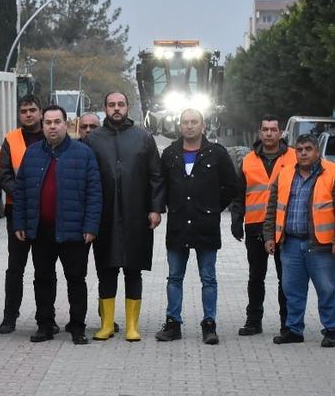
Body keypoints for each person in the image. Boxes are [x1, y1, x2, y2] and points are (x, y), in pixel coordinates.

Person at [13, 105, 101, 345]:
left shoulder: (83, 153)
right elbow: (20, 191)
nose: (52, 126)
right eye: (48, 122)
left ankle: (77, 326)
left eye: (57, 122)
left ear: (67, 124)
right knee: (43, 279)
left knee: (76, 279)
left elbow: (94, 192)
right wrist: (20, 222)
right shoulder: (32, 153)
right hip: (41, 230)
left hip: (74, 231)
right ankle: (45, 324)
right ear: (42, 125)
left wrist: (91, 226)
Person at [85, 92, 165, 342]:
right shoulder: (93, 139)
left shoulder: (143, 137)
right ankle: (106, 324)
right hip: (104, 215)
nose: (116, 109)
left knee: (133, 270)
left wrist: (155, 208)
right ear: (104, 108)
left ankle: (132, 325)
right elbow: (86, 178)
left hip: (136, 214)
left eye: (120, 105)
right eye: (111, 105)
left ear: (128, 107)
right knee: (105, 270)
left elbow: (156, 176)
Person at [155, 109, 237, 345]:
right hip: (178, 224)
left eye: (194, 122)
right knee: (174, 277)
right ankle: (173, 324)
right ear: (179, 126)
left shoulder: (217, 154)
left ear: (203, 126)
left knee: (208, 278)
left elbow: (231, 186)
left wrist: (213, 208)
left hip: (206, 225)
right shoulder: (170, 154)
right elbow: (161, 185)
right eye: (185, 122)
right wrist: (161, 209)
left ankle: (209, 325)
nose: (189, 126)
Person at [263, 134, 335, 347]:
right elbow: (272, 209)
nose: (303, 152)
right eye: (300, 149)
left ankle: (330, 330)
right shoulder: (284, 175)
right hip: (290, 244)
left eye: (308, 149)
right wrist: (269, 236)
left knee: (326, 289)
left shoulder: (334, 174)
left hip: (321, 246)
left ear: (317, 151)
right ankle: (294, 330)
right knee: (292, 290)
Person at [230, 114, 296, 337]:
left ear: (280, 133)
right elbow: (239, 194)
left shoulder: (294, 158)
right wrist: (236, 220)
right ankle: (253, 321)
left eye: (273, 129)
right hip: (255, 226)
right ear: (259, 132)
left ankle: (287, 322)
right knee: (255, 276)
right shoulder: (248, 160)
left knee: (285, 277)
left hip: (283, 227)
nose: (269, 133)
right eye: (265, 129)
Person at [0, 95, 48, 335]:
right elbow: (4, 174)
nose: (28, 114)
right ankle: (10, 317)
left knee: (44, 269)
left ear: (40, 113)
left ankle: (46, 317)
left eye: (32, 110)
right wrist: (22, 195)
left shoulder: (51, 136)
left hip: (45, 214)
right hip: (17, 211)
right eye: (24, 111)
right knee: (15, 268)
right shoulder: (11, 139)